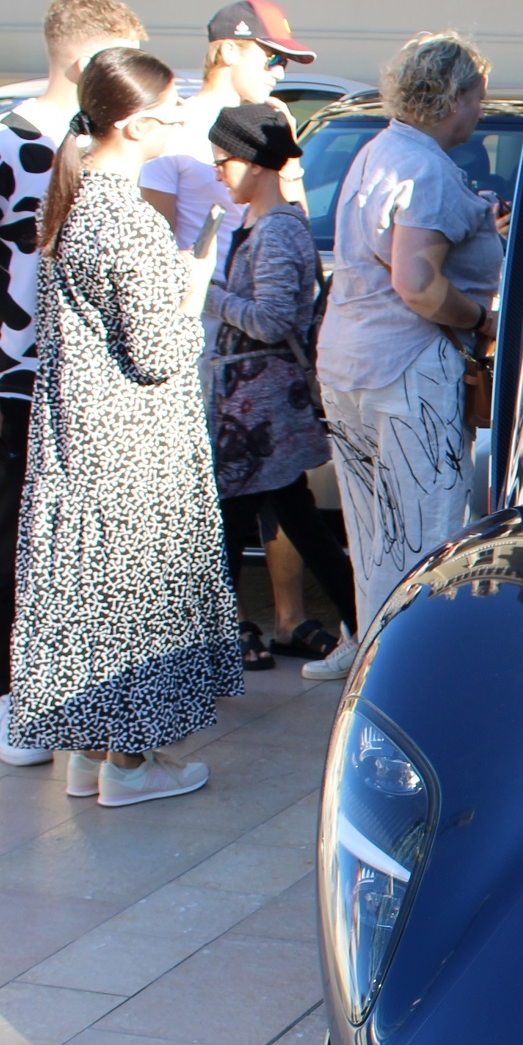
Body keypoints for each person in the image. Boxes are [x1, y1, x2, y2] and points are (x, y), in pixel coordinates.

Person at [10, 48, 239, 805]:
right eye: (172, 109)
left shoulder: (75, 202)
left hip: (84, 432)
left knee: (96, 590)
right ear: (137, 125)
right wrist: (196, 286)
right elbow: (157, 350)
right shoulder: (124, 215)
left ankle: (92, 754)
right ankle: (131, 763)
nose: (182, 118)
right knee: (135, 589)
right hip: (132, 438)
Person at [0, 0, 147, 767]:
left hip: (90, 384)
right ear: (88, 59)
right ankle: (7, 698)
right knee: (9, 536)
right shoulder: (0, 141)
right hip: (21, 378)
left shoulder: (99, 145)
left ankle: (73, 695)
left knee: (73, 546)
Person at [316, 31, 505, 646]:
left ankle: (375, 662)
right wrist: (481, 319)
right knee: (423, 539)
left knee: (372, 536)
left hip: (350, 360)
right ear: (452, 98)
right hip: (406, 373)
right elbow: (419, 283)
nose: (480, 111)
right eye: (477, 98)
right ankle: (412, 671)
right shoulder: (426, 167)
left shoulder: (380, 151)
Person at [203, 103, 360, 668]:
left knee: (233, 530)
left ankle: (201, 647)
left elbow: (272, 320)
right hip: (252, 409)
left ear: (253, 161)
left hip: (262, 411)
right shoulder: (256, 223)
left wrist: (205, 292)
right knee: (295, 522)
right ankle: (366, 627)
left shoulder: (276, 231)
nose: (217, 172)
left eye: (223, 160)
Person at [140, 0, 315, 252]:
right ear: (229, 51)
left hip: (260, 282)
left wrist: (289, 157)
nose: (279, 73)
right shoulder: (175, 127)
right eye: (273, 58)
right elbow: (157, 243)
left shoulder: (265, 124)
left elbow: (295, 232)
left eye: (284, 62)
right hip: (205, 288)